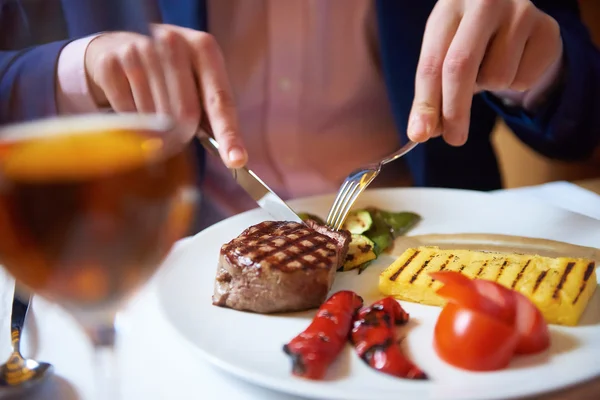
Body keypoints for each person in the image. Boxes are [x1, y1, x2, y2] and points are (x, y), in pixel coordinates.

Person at [2, 0, 599, 227]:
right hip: (152, 263)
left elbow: (584, 116)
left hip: (436, 256)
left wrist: (543, 66)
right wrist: (69, 72)